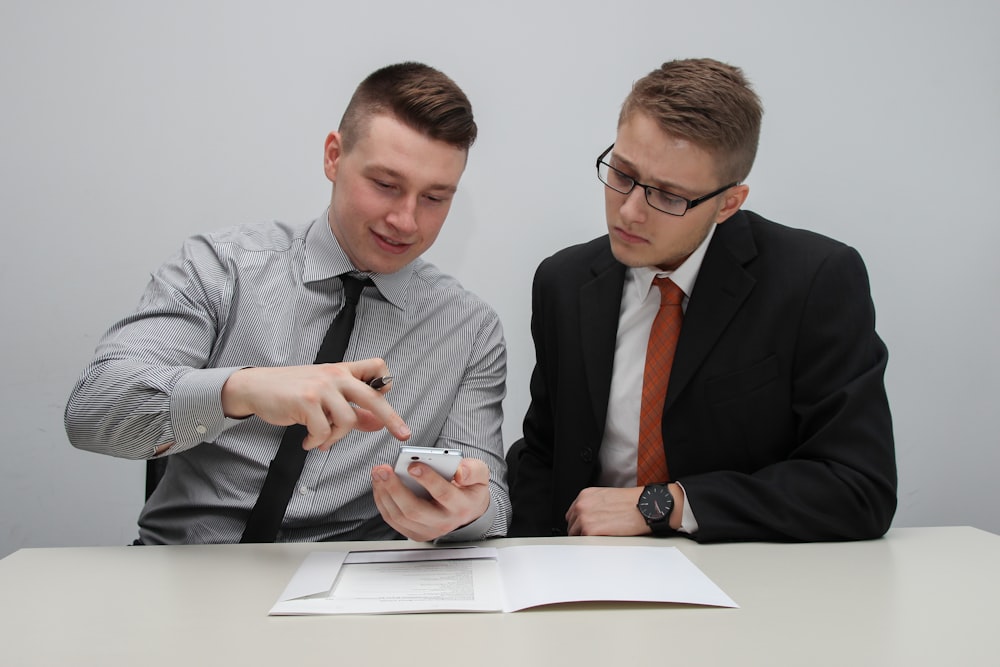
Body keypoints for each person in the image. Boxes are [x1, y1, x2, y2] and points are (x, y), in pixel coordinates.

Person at [65, 62, 510, 545]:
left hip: (352, 594)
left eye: (435, 198)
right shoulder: (221, 268)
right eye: (385, 185)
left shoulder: (469, 329)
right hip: (186, 570)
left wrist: (467, 511)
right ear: (334, 157)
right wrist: (242, 391)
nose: (405, 220)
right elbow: (92, 412)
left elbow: (490, 499)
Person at [509, 58, 896, 543]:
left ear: (728, 204)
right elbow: (544, 455)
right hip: (589, 572)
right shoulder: (562, 282)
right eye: (622, 174)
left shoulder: (814, 281)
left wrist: (664, 505)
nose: (629, 211)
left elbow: (859, 487)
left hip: (743, 581)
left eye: (668, 197)